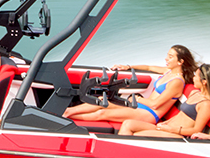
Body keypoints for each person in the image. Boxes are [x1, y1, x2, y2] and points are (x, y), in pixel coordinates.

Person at [63, 44, 194, 129]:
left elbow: (155, 104)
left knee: (102, 113)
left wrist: (136, 98)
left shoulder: (177, 81)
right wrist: (128, 66)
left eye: (170, 57)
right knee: (103, 101)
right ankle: (67, 111)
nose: (166, 59)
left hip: (149, 113)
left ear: (180, 62)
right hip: (142, 106)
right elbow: (149, 67)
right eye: (167, 55)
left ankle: (66, 118)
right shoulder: (168, 72)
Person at [126, 63, 210, 139]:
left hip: (177, 135)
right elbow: (181, 115)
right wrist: (166, 123)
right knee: (128, 124)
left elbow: (196, 130)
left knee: (136, 136)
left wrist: (171, 129)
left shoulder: (206, 104)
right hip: (167, 127)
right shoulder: (194, 93)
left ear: (204, 82)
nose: (193, 78)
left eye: (196, 76)